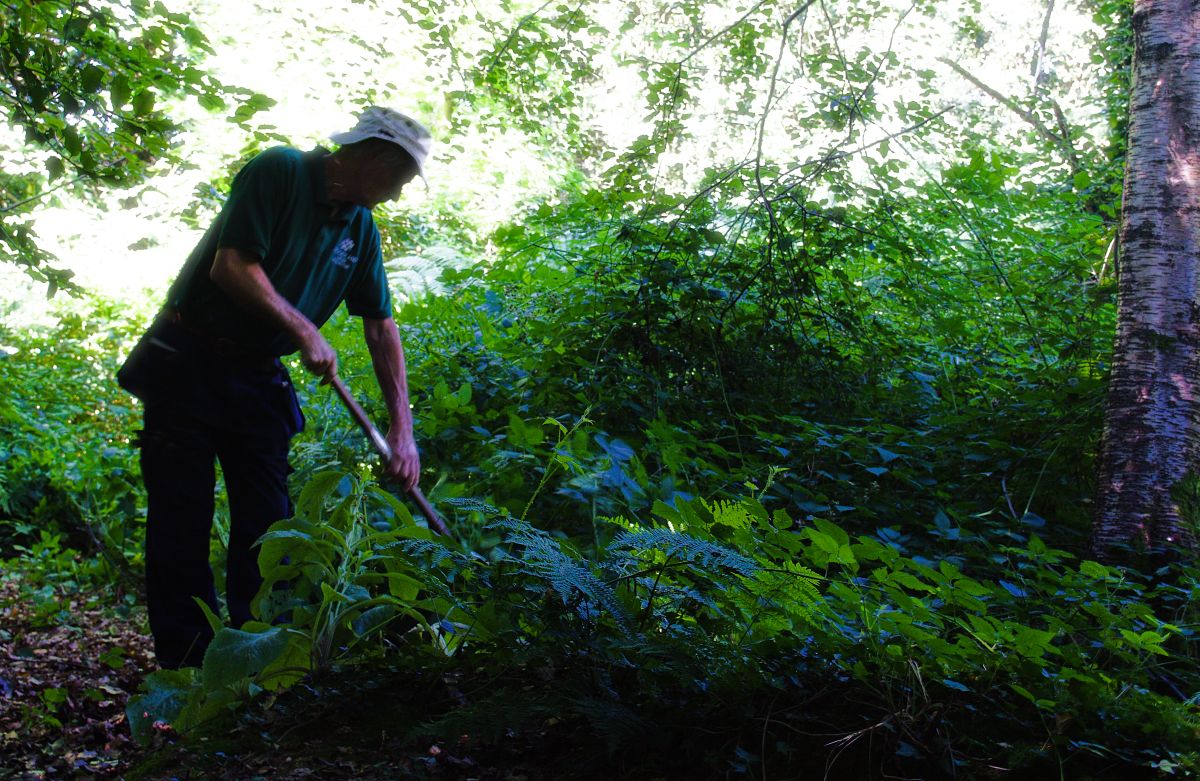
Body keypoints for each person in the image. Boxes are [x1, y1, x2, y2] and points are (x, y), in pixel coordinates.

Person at [118, 106, 432, 669]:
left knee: (269, 525)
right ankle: (186, 668)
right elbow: (231, 265)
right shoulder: (280, 171)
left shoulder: (360, 228)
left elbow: (381, 326)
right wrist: (304, 329)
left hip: (257, 376)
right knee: (181, 519)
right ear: (373, 157)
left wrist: (401, 431)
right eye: (401, 178)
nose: (399, 193)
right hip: (189, 360)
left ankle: (257, 658)